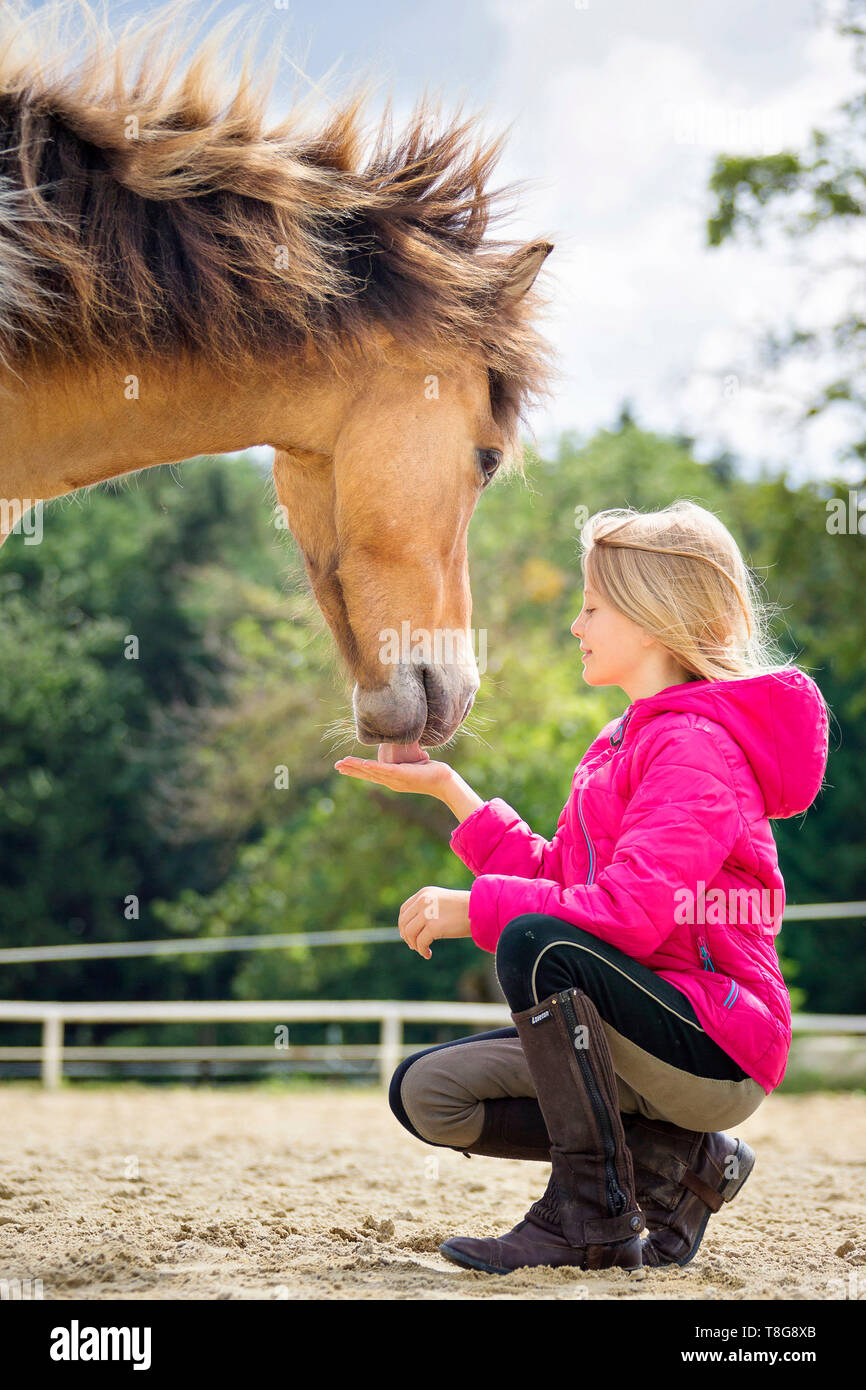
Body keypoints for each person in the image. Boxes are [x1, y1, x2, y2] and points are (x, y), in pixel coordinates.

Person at [334, 500, 830, 1276]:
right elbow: (561, 884)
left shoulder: (695, 748)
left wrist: (477, 911)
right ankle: (686, 1163)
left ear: (653, 617)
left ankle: (589, 1216)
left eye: (592, 606)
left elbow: (624, 918)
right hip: (636, 1033)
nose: (576, 624)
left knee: (535, 942)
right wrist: (453, 793)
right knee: (428, 1093)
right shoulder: (620, 742)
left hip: (715, 1043)